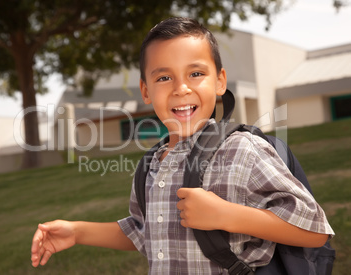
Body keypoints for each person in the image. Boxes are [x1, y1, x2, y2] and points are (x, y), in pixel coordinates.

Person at [31, 17, 334, 273]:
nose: (181, 88)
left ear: (220, 81)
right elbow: (144, 230)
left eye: (196, 73)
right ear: (145, 90)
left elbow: (315, 230)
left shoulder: (243, 149)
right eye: (164, 77)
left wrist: (225, 215)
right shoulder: (152, 163)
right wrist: (77, 231)